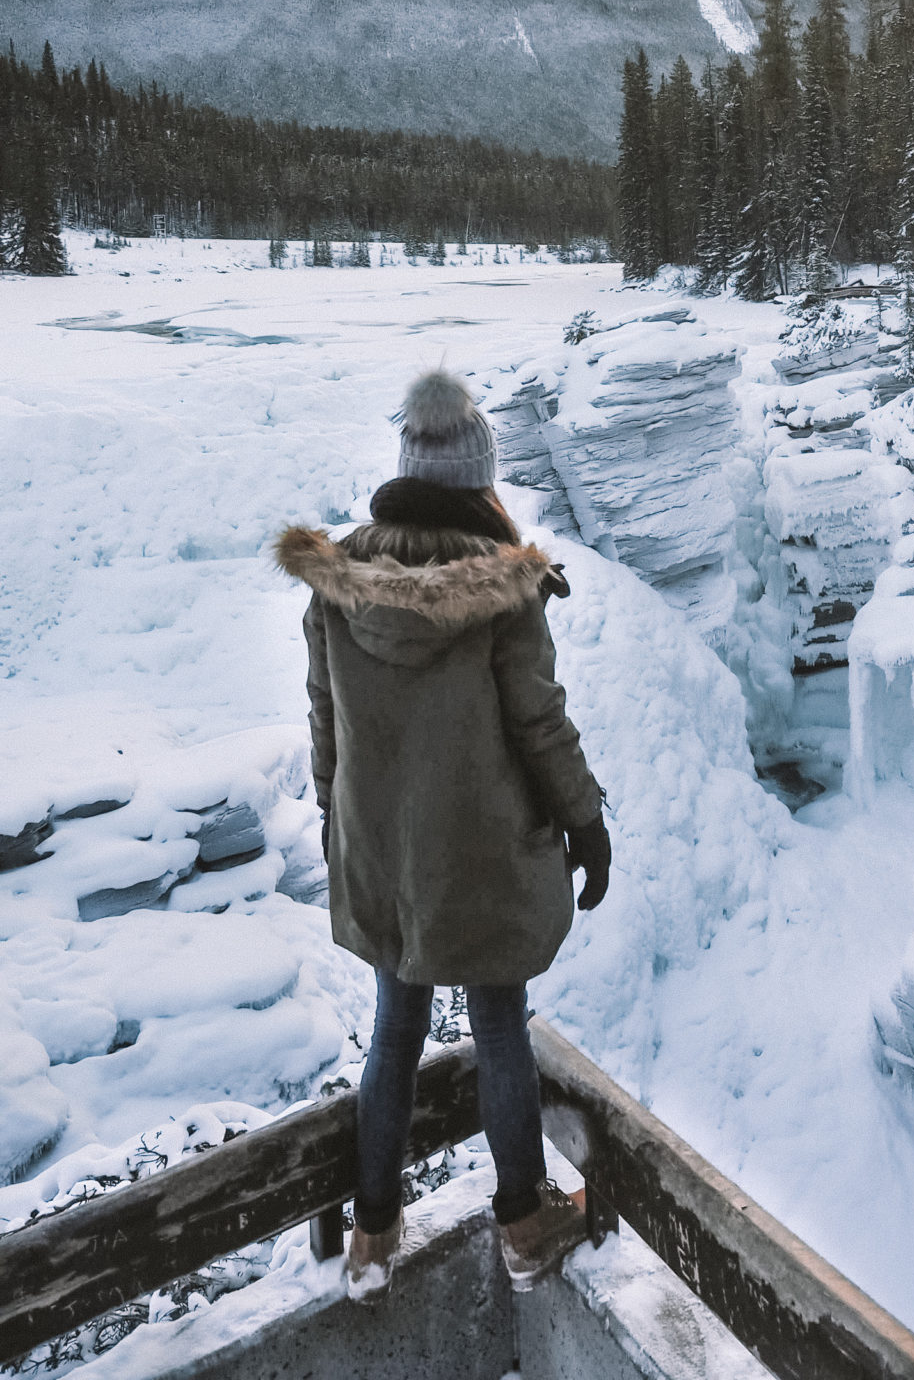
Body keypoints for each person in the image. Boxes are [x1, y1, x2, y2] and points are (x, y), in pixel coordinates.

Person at [275, 368, 611, 1303]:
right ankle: (524, 1224)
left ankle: (373, 1242)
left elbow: (323, 717)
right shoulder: (503, 592)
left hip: (383, 852)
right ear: (478, 481)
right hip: (481, 853)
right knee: (500, 1025)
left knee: (395, 1030)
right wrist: (586, 823)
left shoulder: (338, 580)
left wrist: (344, 816)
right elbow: (539, 724)